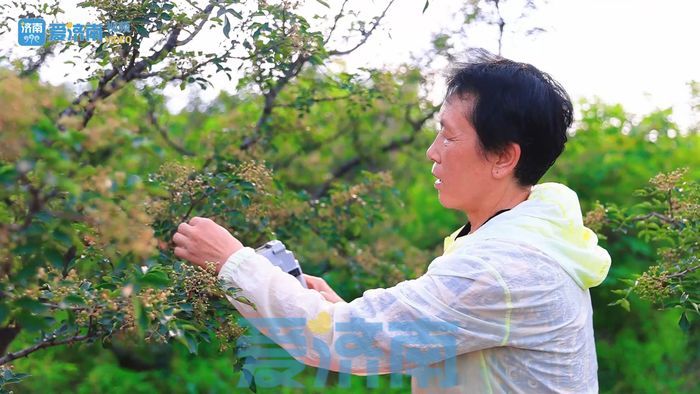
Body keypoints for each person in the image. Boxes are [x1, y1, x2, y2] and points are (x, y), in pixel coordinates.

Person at [173, 50, 611, 393]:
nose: (433, 151)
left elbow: (340, 340)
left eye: (450, 135)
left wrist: (231, 262)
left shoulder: (502, 266)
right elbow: (405, 334)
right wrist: (341, 311)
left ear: (503, 157)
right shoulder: (525, 235)